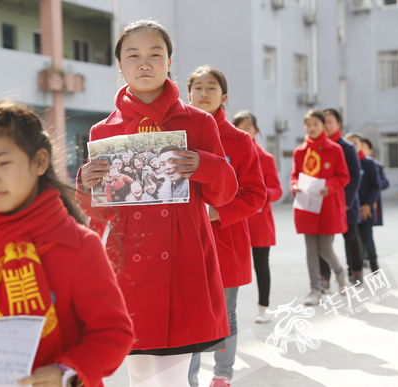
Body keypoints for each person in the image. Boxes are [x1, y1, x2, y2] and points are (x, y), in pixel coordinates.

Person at [0, 101, 133, 387]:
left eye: (3, 163)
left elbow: (113, 333)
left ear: (40, 162)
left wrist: (65, 371)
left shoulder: (78, 245)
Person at [75, 20, 238, 387]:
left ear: (169, 63)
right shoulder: (104, 131)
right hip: (128, 260)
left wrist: (205, 165)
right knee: (140, 374)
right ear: (119, 65)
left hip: (183, 259)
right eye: (133, 55)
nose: (144, 63)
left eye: (155, 54)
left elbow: (225, 194)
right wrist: (86, 184)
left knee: (171, 377)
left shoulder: (197, 123)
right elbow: (99, 210)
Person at [187, 66, 266, 387]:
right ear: (187, 93)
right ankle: (186, 378)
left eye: (211, 88)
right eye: (198, 88)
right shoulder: (177, 136)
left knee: (226, 312)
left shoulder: (239, 140)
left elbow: (256, 194)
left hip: (225, 239)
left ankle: (222, 375)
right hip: (185, 240)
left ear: (224, 96)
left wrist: (220, 212)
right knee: (189, 316)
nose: (204, 94)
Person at [291, 110, 351, 306]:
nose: (312, 128)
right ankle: (315, 289)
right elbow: (294, 175)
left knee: (325, 248)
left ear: (324, 126)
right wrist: (294, 186)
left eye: (316, 124)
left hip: (327, 205)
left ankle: (340, 275)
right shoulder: (300, 151)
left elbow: (344, 176)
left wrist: (329, 187)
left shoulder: (334, 150)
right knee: (310, 249)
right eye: (308, 124)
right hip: (307, 206)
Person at [232, 110, 283, 324]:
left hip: (259, 221)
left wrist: (261, 197)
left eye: (248, 126)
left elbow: (276, 189)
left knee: (261, 265)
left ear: (256, 130)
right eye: (239, 126)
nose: (244, 130)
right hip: (234, 219)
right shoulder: (228, 155)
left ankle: (263, 307)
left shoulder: (266, 158)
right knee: (231, 267)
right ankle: (226, 311)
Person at [318, 109, 362, 290]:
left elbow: (354, 176)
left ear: (338, 125)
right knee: (324, 242)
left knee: (351, 238)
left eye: (329, 121)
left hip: (346, 203)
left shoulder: (347, 147)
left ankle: (356, 271)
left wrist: (345, 203)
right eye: (324, 122)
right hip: (325, 203)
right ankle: (324, 277)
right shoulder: (317, 147)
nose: (326, 125)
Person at [345, 133, 381, 276]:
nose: (352, 147)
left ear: (361, 146)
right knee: (350, 241)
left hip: (365, 208)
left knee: (367, 238)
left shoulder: (368, 163)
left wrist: (367, 204)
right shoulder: (343, 162)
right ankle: (352, 269)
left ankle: (373, 264)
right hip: (349, 208)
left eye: (355, 144)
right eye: (349, 144)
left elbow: (375, 186)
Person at [361, 138, 390, 249]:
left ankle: (369, 257)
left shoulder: (376, 165)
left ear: (370, 151)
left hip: (371, 201)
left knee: (367, 231)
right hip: (356, 202)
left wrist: (374, 185)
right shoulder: (350, 164)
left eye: (364, 148)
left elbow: (385, 183)